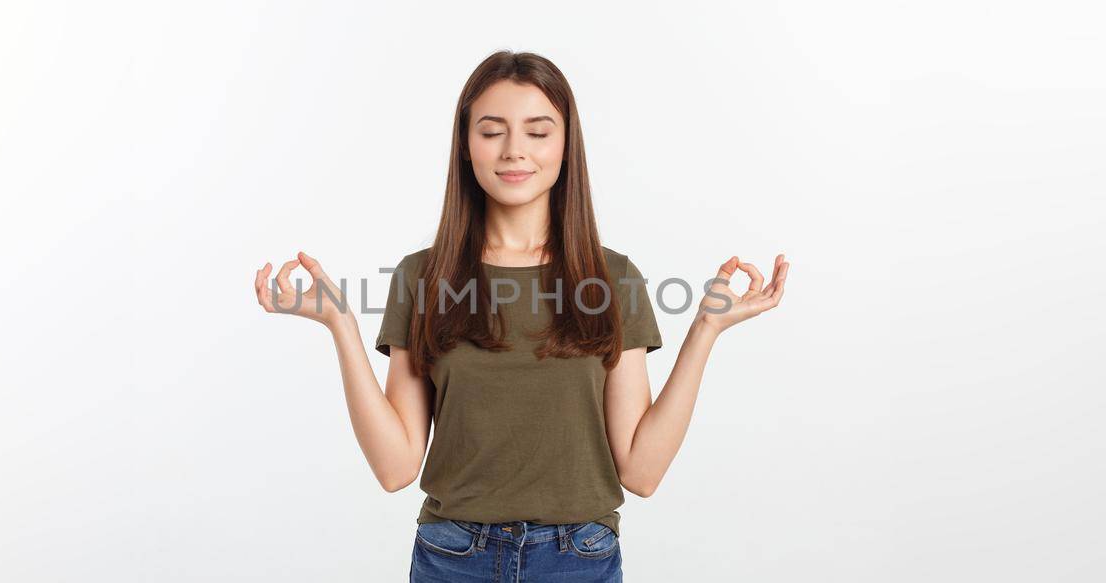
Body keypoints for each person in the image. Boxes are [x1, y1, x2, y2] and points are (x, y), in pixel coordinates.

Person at [253, 50, 790, 582]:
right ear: (466, 147)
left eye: (537, 132)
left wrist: (706, 330)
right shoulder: (422, 278)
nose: (514, 151)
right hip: (452, 557)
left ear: (565, 146)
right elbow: (396, 469)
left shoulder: (614, 278)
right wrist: (341, 326)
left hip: (580, 556)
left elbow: (642, 472)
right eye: (492, 131)